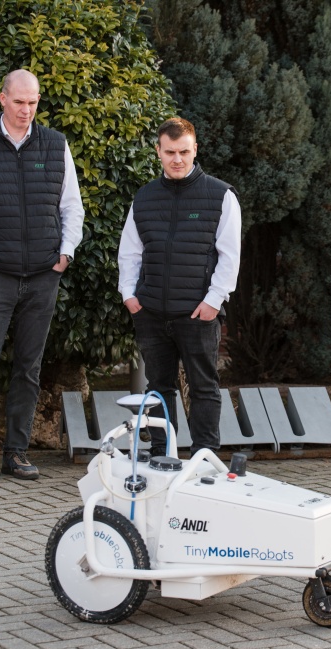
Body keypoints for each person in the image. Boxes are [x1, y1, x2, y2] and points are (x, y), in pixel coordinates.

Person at [0, 69, 84, 491]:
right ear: (3, 99)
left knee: (28, 368)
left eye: (33, 102)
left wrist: (65, 253)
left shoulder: (55, 144)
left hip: (43, 276)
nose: (26, 110)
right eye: (19, 102)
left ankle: (16, 454)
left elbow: (71, 206)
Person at [117, 117, 241, 458]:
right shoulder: (144, 197)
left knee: (204, 386)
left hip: (198, 312)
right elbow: (130, 251)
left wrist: (214, 301)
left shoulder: (221, 195)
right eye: (170, 152)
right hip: (151, 313)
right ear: (158, 151)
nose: (177, 159)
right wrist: (129, 295)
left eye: (184, 152)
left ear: (195, 150)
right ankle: (162, 455)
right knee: (158, 387)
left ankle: (204, 457)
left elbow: (230, 256)